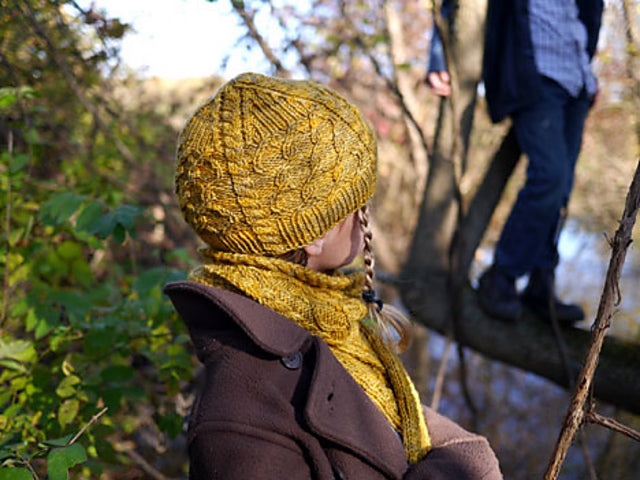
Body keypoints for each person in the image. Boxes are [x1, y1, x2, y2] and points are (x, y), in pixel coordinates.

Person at [164, 72, 502, 479]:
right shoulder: (240, 425)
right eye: (359, 203)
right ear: (315, 236)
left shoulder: (329, 320)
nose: (367, 217)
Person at [427, 0, 604, 323]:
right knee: (549, 177)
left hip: (577, 81)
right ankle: (501, 276)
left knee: (562, 188)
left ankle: (541, 283)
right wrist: (438, 56)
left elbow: (588, 14)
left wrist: (587, 73)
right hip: (534, 76)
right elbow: (454, 7)